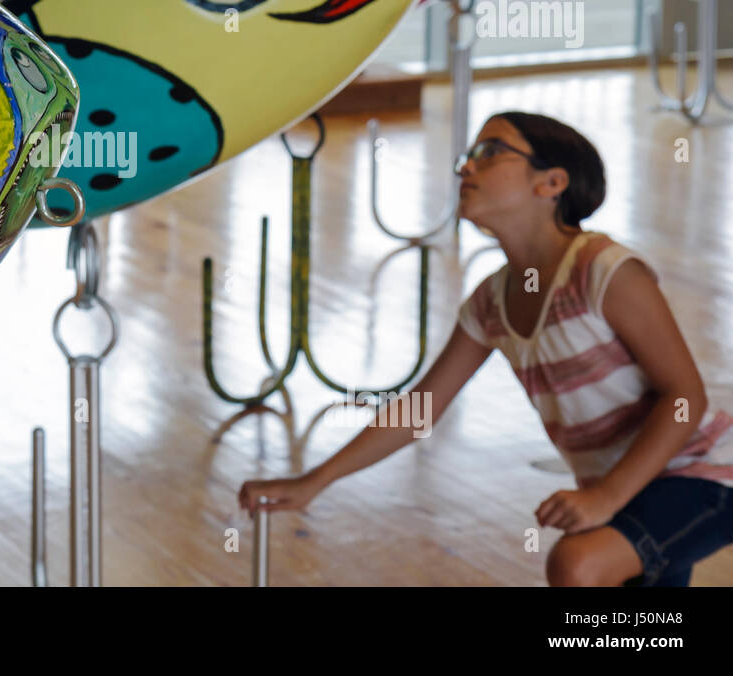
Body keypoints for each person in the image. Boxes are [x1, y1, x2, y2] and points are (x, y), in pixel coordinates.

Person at [239, 111, 733, 586]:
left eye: (490, 152)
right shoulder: (490, 302)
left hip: (702, 473)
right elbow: (420, 410)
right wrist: (315, 480)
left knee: (578, 564)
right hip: (625, 491)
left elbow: (684, 396)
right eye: (466, 157)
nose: (467, 167)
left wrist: (607, 495)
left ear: (552, 182)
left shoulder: (604, 271)